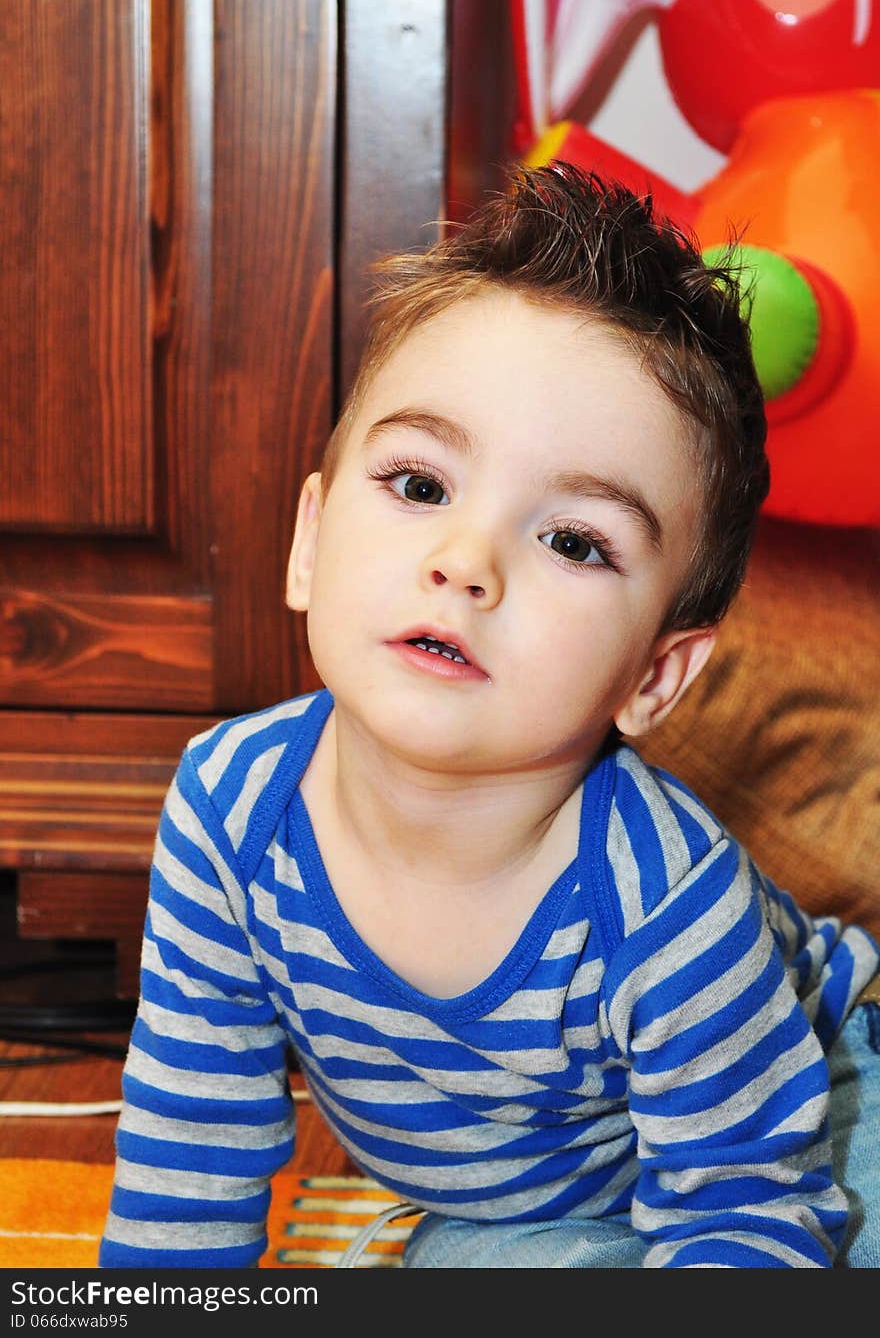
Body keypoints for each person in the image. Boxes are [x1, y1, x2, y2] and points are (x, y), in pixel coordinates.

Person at [99, 163, 880, 1270]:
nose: (463, 563)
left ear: (654, 677)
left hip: (804, 1115)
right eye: (420, 485)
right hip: (542, 1202)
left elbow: (745, 1212)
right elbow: (191, 1142)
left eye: (571, 541)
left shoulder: (661, 900)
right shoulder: (231, 808)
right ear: (311, 542)